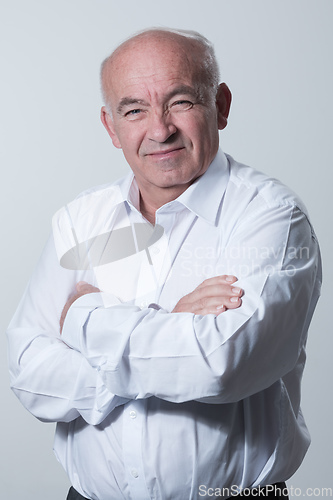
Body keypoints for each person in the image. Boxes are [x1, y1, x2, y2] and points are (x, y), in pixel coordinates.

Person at [7, 28, 322, 500]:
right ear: (111, 127)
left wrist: (83, 319)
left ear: (221, 106)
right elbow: (29, 374)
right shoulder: (81, 221)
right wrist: (172, 322)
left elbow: (220, 365)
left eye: (180, 102)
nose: (159, 129)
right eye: (134, 110)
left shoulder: (271, 216)